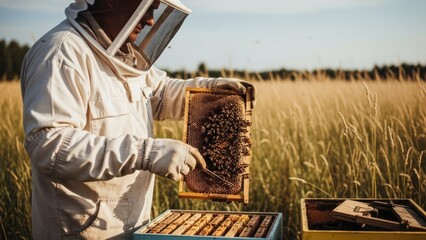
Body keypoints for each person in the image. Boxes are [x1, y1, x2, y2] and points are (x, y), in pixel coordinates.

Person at [20, 0, 255, 239]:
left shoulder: (124, 54)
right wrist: (146, 153)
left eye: (154, 9)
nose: (151, 20)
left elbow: (158, 93)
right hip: (82, 230)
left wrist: (211, 90)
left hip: (135, 224)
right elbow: (49, 145)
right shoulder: (61, 53)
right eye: (147, 8)